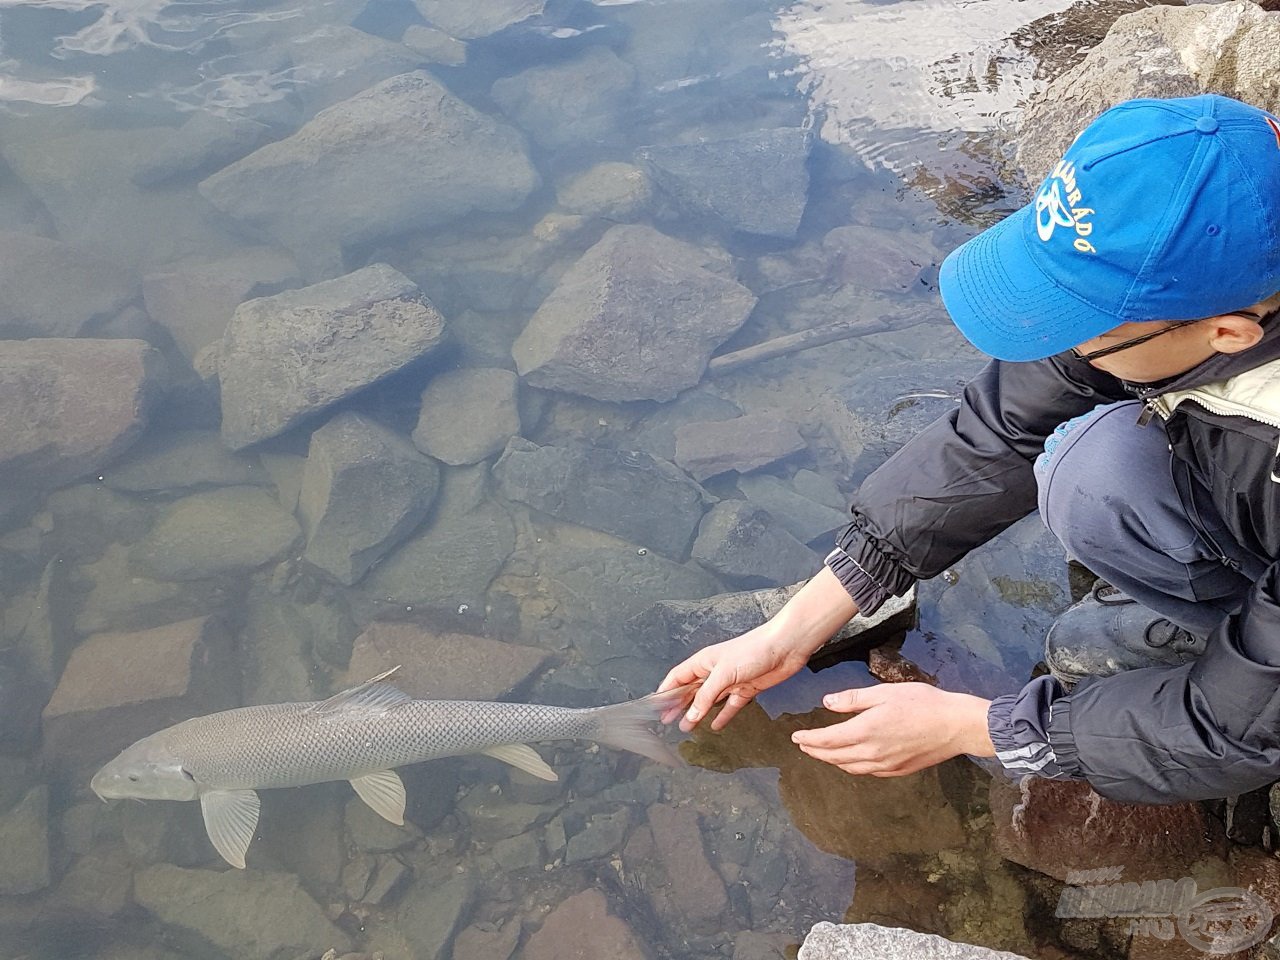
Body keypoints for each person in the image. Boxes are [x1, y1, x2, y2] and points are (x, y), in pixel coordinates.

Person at [659, 93, 1280, 805]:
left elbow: (1237, 730)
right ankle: (1232, 626)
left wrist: (981, 727)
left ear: (1229, 334)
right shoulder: (1221, 252)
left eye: (1085, 328)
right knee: (1086, 466)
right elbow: (1004, 426)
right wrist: (793, 627)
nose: (1061, 342)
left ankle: (1239, 649)